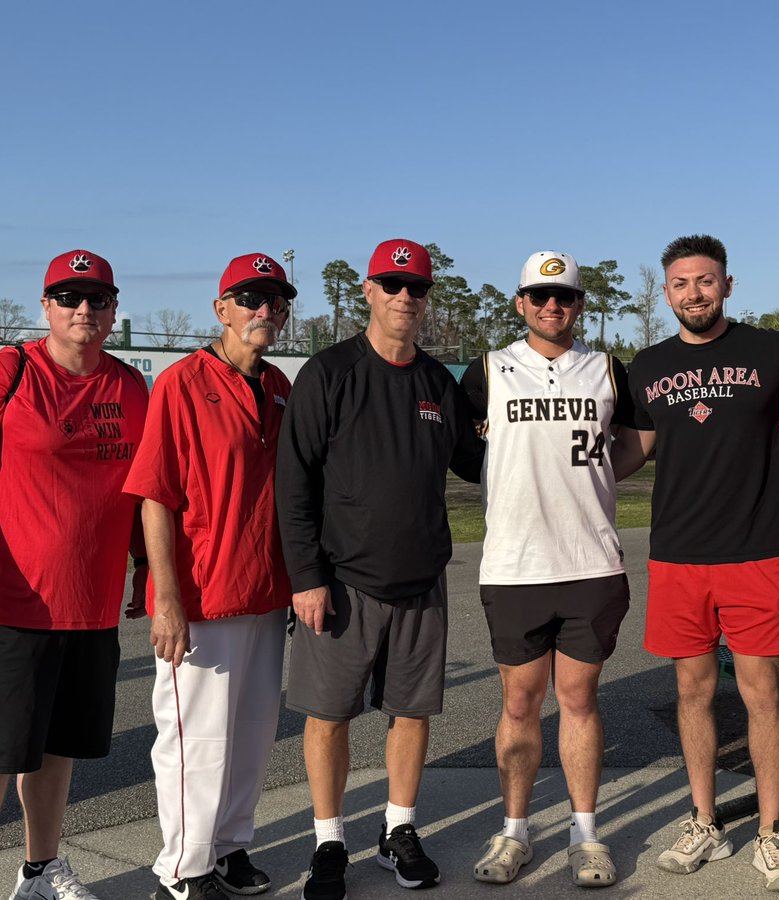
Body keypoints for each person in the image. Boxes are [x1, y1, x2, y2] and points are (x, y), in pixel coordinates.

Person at [0, 250, 149, 900]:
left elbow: (140, 489)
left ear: (113, 309)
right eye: (67, 297)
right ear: (45, 306)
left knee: (58, 750)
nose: (83, 310)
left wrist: (145, 565)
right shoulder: (7, 372)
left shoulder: (127, 386)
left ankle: (40, 869)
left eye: (96, 299)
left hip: (89, 607)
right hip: (7, 603)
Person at [276, 238, 484, 900]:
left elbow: (474, 464)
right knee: (329, 716)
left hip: (420, 581)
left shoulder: (435, 385)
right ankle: (329, 839)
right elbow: (293, 482)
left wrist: (520, 434)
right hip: (340, 582)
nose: (404, 296)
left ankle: (398, 829)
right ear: (368, 290)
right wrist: (305, 577)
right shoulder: (330, 372)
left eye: (416, 287)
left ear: (427, 300)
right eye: (392, 284)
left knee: (411, 712)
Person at [624, 234, 779, 892]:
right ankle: (705, 820)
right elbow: (632, 451)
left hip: (754, 552)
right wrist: (554, 453)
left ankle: (769, 831)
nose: (693, 293)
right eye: (680, 283)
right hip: (678, 555)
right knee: (692, 694)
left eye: (705, 281)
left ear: (727, 285)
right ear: (666, 291)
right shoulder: (645, 366)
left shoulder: (774, 352)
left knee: (762, 697)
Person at [461, 251, 642, 888]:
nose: (551, 307)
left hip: (589, 560)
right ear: (520, 304)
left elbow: (640, 437)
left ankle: (585, 833)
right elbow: (461, 446)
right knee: (519, 701)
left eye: (563, 296)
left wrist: (595, 479)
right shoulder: (489, 370)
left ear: (579, 305)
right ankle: (514, 831)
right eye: (539, 297)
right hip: (514, 564)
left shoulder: (607, 369)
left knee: (579, 699)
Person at [123, 253, 296, 900]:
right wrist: (165, 596)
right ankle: (181, 867)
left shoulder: (280, 385)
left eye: (275, 301)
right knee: (195, 740)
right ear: (220, 308)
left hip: (265, 588)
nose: (264, 310)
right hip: (199, 593)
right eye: (250, 297)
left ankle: (229, 848)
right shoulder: (180, 382)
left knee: (251, 735)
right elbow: (154, 497)